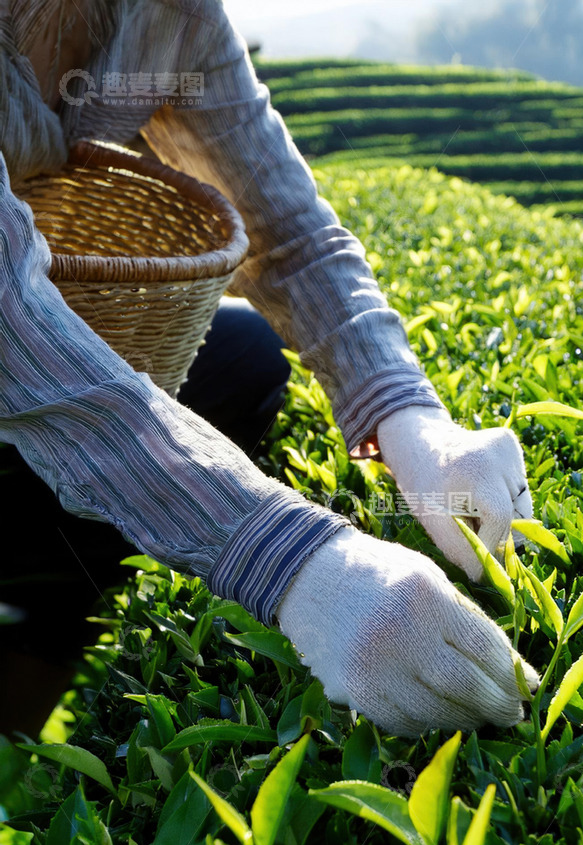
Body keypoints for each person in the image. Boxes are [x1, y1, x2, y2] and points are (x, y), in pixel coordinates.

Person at [0, 0, 538, 737]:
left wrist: (415, 426)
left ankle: (35, 676)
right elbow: (13, 325)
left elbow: (288, 236)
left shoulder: (169, 14)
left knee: (243, 361)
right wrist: (300, 563)